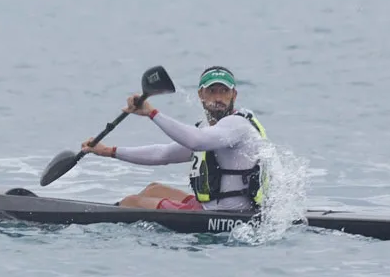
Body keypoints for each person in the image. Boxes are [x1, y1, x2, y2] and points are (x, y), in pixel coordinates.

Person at [80, 65, 269, 211]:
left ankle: (100, 218)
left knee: (132, 202)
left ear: (234, 94)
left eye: (224, 91)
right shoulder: (208, 130)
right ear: (200, 95)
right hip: (212, 208)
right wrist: (109, 151)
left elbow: (196, 141)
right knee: (154, 189)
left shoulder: (236, 125)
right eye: (212, 91)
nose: (218, 97)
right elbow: (163, 154)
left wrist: (152, 113)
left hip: (229, 214)